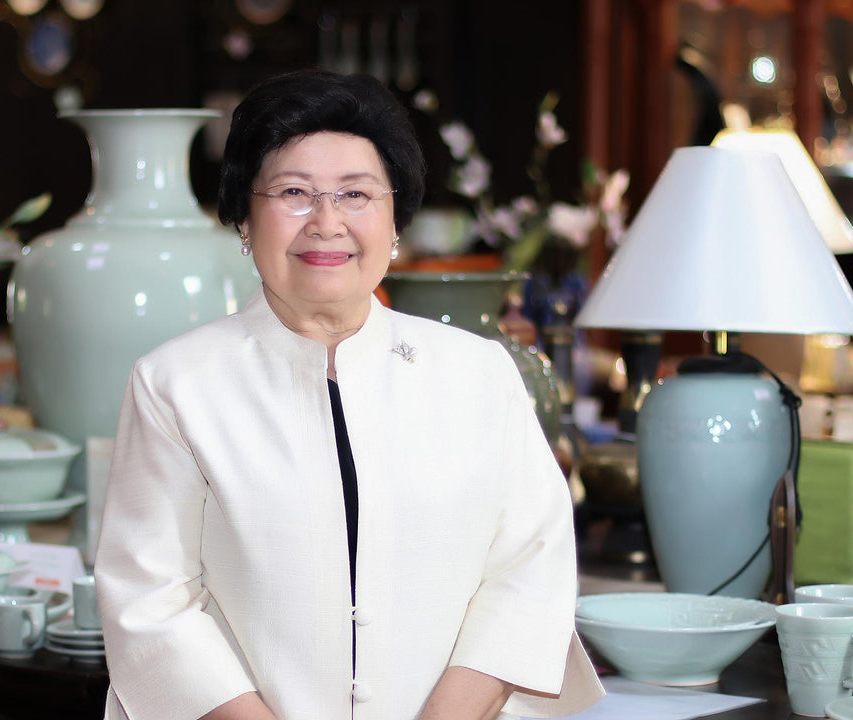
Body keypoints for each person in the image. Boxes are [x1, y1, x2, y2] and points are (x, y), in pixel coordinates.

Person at [94, 69, 605, 720]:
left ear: (396, 221)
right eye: (293, 193)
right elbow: (151, 601)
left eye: (356, 194)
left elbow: (530, 568)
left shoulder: (479, 373)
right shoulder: (176, 384)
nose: (326, 222)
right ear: (245, 220)